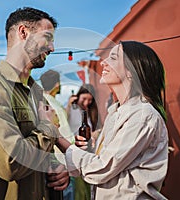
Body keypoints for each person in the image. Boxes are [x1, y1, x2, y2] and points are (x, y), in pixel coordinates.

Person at [0, 7, 69, 200]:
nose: (52, 48)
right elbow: (10, 164)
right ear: (23, 32)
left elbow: (44, 150)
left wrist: (57, 168)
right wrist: (48, 127)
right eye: (47, 37)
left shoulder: (35, 91)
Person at [56, 41, 169, 199]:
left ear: (131, 71)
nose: (104, 62)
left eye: (113, 58)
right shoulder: (116, 113)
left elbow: (102, 168)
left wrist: (57, 137)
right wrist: (90, 148)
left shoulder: (142, 115)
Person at [40, 69, 75, 200]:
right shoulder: (54, 106)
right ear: (57, 84)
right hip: (62, 164)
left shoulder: (43, 102)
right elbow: (63, 133)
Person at [66, 83, 101, 200]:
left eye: (90, 100)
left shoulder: (89, 113)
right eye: (84, 99)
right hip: (73, 152)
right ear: (78, 96)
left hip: (87, 154)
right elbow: (63, 123)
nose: (87, 103)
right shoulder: (72, 108)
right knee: (78, 190)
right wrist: (68, 105)